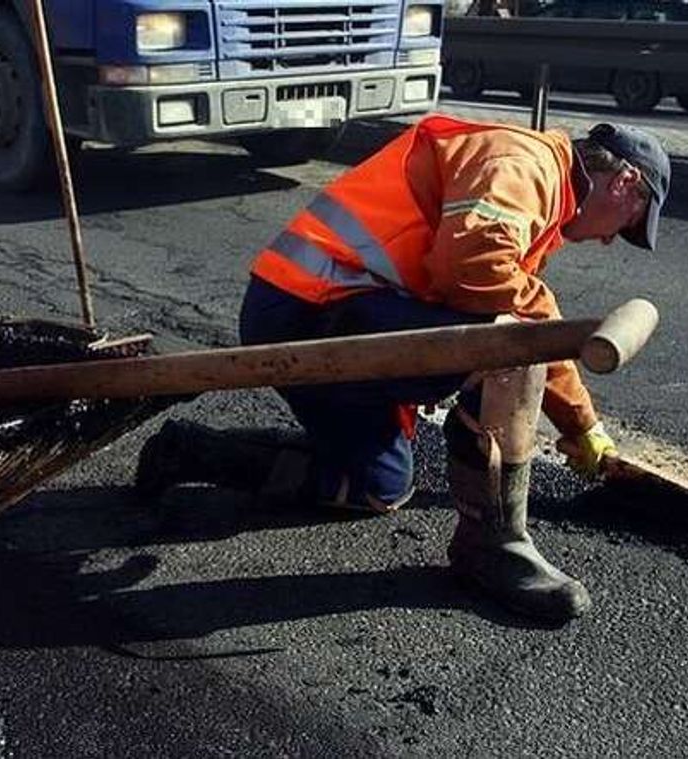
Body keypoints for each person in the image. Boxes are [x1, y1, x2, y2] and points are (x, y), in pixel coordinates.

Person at [137, 115, 670, 623]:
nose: (608, 240)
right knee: (505, 350)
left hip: (325, 311)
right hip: (314, 310)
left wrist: (582, 425)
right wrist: (578, 419)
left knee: (381, 485)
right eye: (626, 226)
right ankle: (492, 547)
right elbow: (475, 273)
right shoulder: (523, 161)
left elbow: (516, 302)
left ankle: (192, 451)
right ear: (626, 181)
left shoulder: (541, 192)